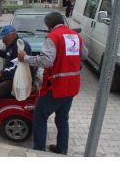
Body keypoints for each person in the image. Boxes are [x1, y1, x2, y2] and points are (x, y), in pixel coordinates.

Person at [18, 12, 88, 155]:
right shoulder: (75, 36)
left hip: (56, 87)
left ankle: (39, 151)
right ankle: (62, 150)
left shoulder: (53, 37)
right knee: (62, 119)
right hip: (72, 86)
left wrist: (25, 58)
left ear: (48, 26)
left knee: (39, 117)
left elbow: (46, 61)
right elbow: (85, 55)